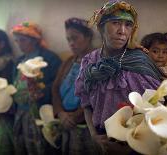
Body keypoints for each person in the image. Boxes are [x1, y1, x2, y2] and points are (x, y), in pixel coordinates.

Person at [75, 1, 165, 154]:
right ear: (100, 27)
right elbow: (86, 104)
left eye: (128, 25)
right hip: (100, 138)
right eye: (115, 23)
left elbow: (156, 108)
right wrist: (94, 135)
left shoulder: (139, 60)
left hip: (135, 141)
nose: (122, 31)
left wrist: (129, 147)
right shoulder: (89, 61)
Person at [12, 21, 61, 155]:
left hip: (40, 111)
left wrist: (42, 92)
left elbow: (58, 83)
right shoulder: (19, 60)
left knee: (41, 147)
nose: (19, 44)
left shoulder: (50, 58)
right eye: (17, 41)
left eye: (22, 40)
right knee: (23, 145)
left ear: (34, 40)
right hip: (21, 113)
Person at [52, 17, 96, 154]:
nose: (71, 43)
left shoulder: (98, 62)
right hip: (65, 121)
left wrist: (74, 117)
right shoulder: (69, 61)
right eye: (68, 40)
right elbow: (55, 88)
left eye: (75, 38)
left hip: (85, 126)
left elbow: (96, 96)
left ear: (88, 37)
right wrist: (60, 113)